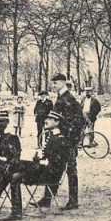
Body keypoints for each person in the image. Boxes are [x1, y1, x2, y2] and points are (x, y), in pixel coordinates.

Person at [0, 111, 70, 221]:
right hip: (43, 170)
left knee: (16, 164)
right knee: (15, 175)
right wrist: (37, 158)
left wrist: (38, 161)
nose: (46, 121)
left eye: (50, 119)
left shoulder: (60, 139)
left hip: (50, 174)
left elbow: (57, 163)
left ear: (57, 122)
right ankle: (15, 211)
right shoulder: (52, 137)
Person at [35, 73, 81, 210]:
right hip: (61, 141)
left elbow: (77, 121)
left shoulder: (68, 98)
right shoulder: (61, 97)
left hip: (67, 142)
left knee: (70, 170)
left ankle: (73, 201)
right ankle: (47, 199)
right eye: (52, 83)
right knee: (56, 167)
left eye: (55, 83)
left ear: (62, 83)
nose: (53, 86)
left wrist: (69, 138)